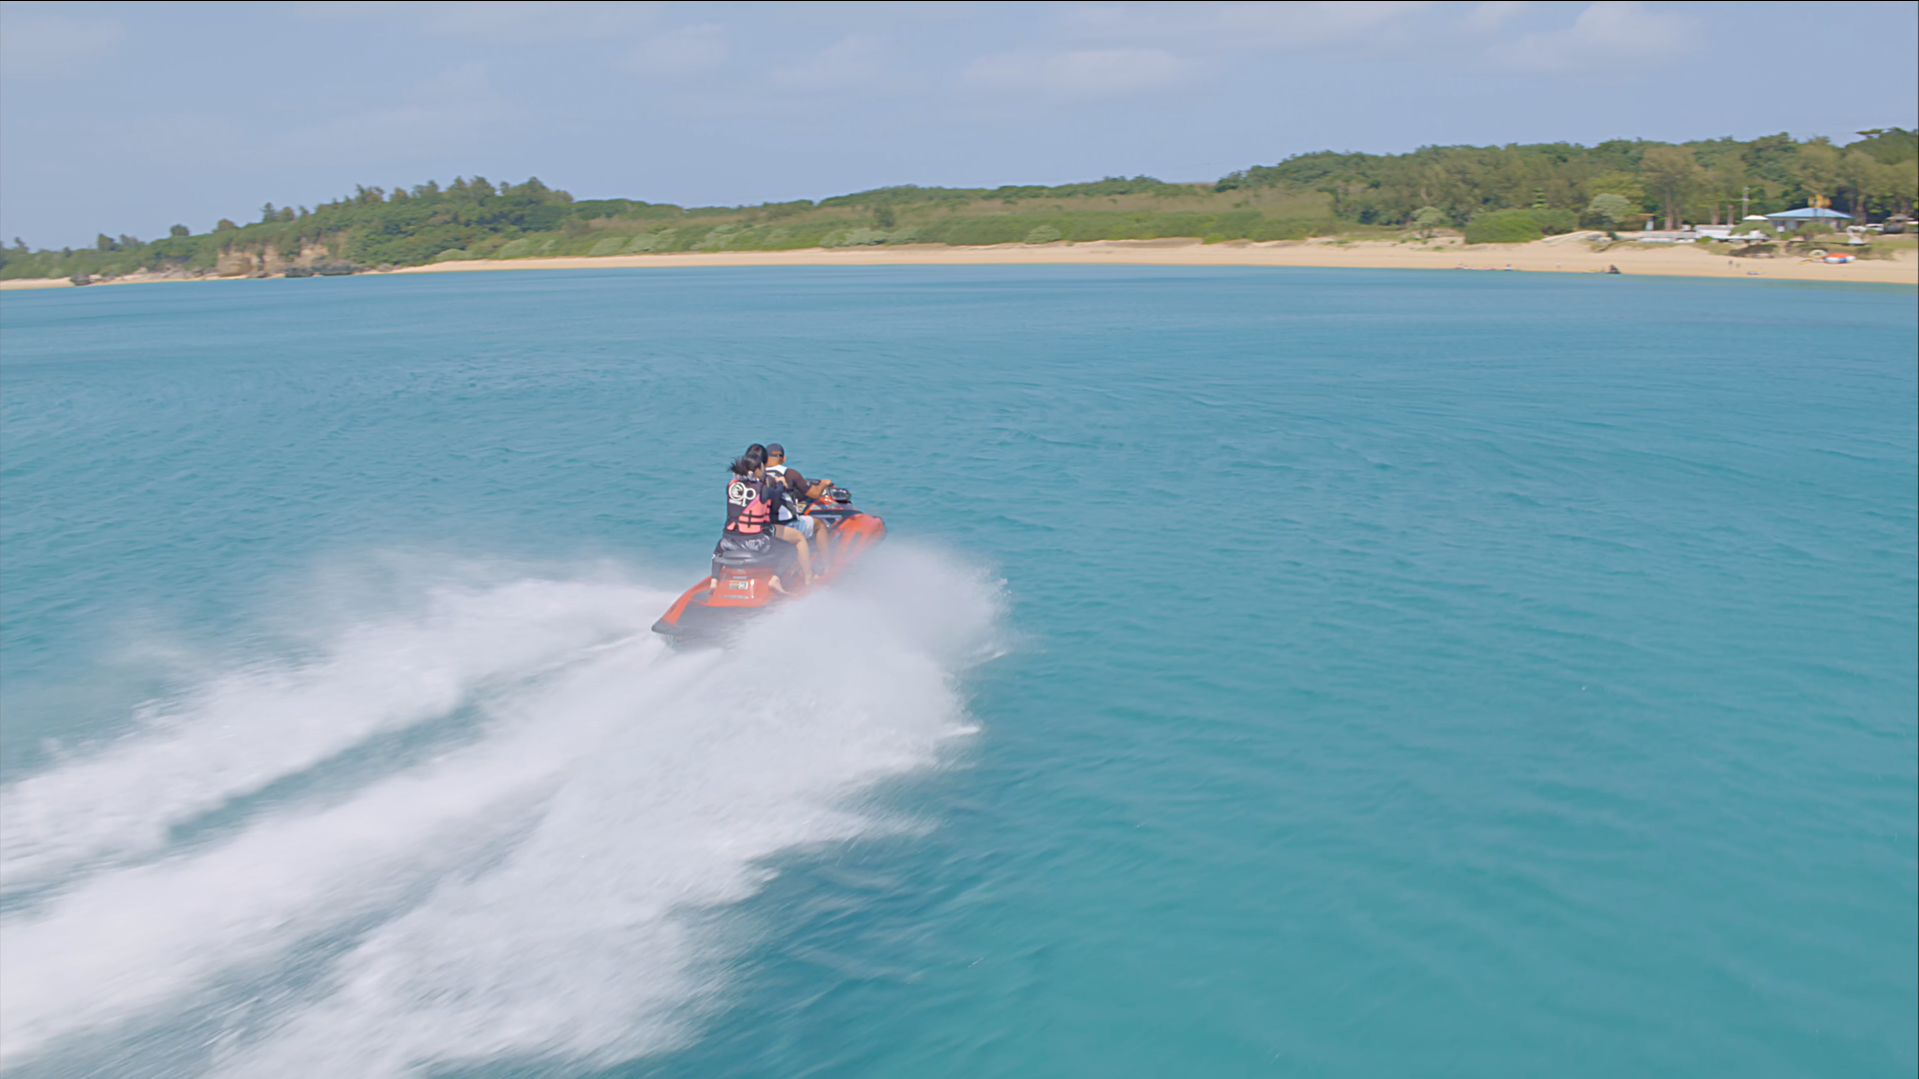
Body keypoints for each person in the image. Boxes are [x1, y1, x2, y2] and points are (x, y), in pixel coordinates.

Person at [716, 445, 812, 588]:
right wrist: (781, 484)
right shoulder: (766, 483)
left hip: (732, 535)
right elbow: (777, 506)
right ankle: (807, 579)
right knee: (797, 540)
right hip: (760, 532)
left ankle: (715, 580)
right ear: (762, 465)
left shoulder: (734, 484)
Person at [762, 443, 834, 565]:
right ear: (783, 459)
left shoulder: (757, 475)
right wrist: (823, 484)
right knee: (819, 525)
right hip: (785, 525)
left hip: (764, 525)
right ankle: (826, 566)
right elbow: (814, 494)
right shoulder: (790, 473)